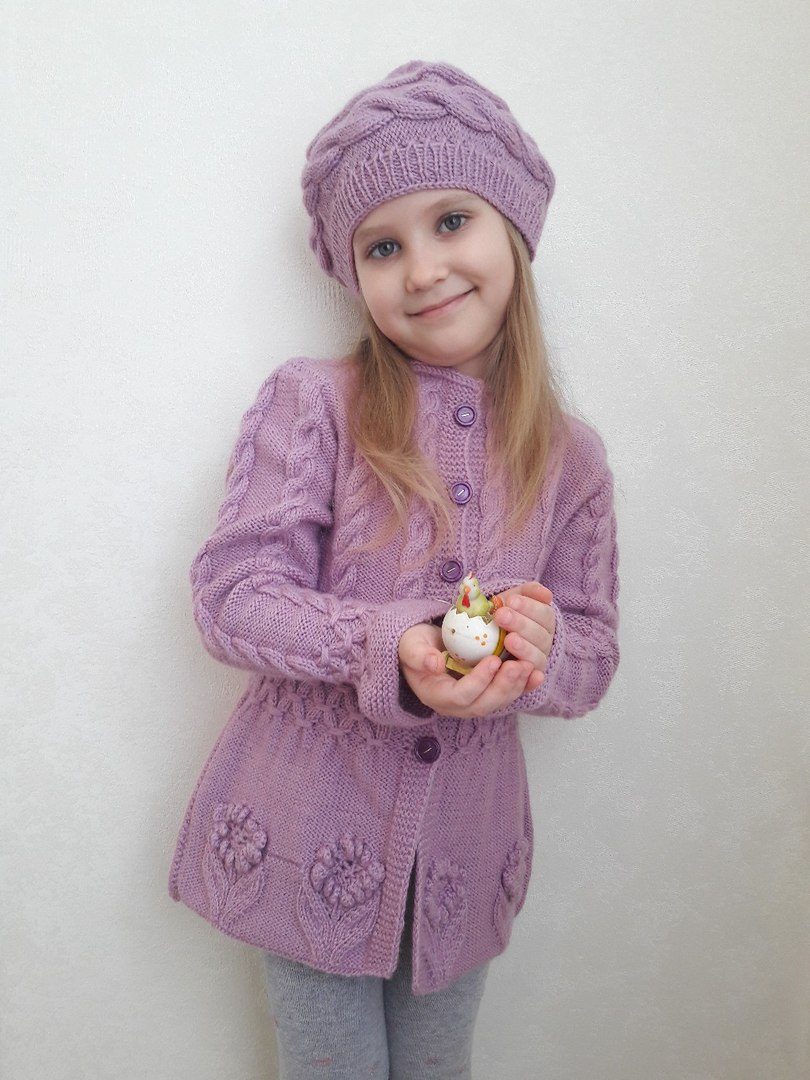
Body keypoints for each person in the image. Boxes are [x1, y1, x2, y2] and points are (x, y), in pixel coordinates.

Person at [168, 59, 621, 1079]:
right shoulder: (315, 405)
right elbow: (233, 595)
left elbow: (594, 653)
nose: (422, 269)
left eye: (451, 221)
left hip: (464, 850)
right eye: (384, 245)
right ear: (354, 272)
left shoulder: (571, 458)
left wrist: (544, 651)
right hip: (307, 829)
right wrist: (390, 639)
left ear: (513, 229)